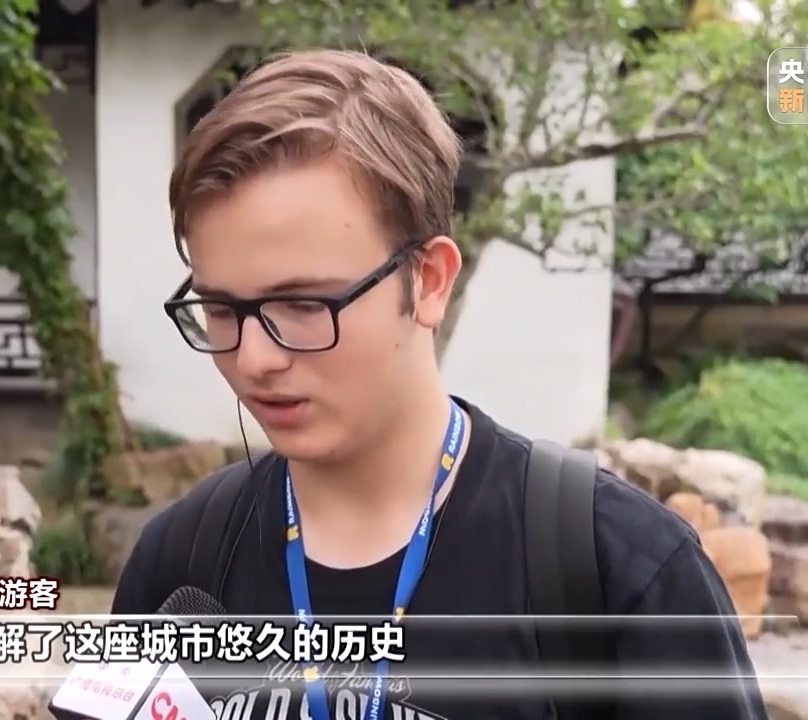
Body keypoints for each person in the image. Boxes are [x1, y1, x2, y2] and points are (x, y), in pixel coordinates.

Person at [112, 49, 768, 720]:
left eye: (304, 305)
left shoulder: (621, 573)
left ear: (428, 281)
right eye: (222, 309)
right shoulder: (180, 562)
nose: (254, 359)